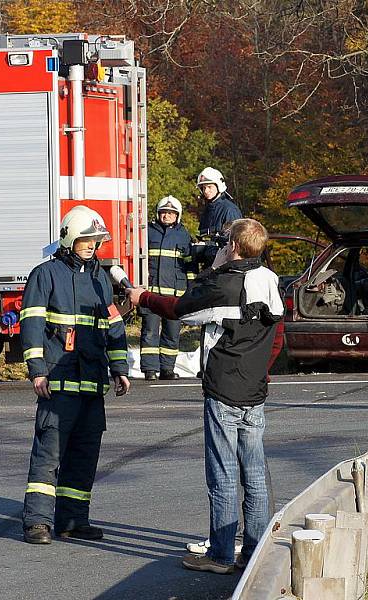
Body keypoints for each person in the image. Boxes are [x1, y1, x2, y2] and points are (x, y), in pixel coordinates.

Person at [127, 218, 283, 574]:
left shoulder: (225, 284)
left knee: (223, 474)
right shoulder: (271, 282)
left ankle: (221, 555)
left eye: (227, 241)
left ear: (235, 247)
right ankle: (254, 553)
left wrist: (144, 297)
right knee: (254, 475)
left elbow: (181, 308)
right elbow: (277, 337)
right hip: (255, 391)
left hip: (224, 390)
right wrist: (259, 370)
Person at [20, 205, 131, 544]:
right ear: (70, 238)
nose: (91, 246)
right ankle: (37, 522)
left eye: (96, 241)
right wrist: (37, 372)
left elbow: (112, 327)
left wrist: (120, 368)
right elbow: (33, 324)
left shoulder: (100, 277)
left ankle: (72, 519)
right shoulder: (46, 274)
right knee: (48, 455)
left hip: (92, 384)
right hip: (57, 382)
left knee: (84, 455)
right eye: (86, 239)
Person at [140, 196, 195, 380]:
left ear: (177, 216)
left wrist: (192, 289)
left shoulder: (184, 235)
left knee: (172, 335)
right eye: (164, 213)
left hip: (175, 296)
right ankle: (149, 369)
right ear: (158, 214)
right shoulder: (147, 232)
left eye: (171, 213)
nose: (167, 216)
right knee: (149, 333)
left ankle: (167, 369)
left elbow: (190, 265)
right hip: (152, 294)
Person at [194, 167, 242, 269]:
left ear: (219, 186)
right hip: (209, 266)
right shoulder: (207, 211)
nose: (206, 191)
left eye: (209, 187)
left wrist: (208, 246)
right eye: (203, 188)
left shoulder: (229, 210)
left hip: (225, 267)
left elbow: (234, 244)